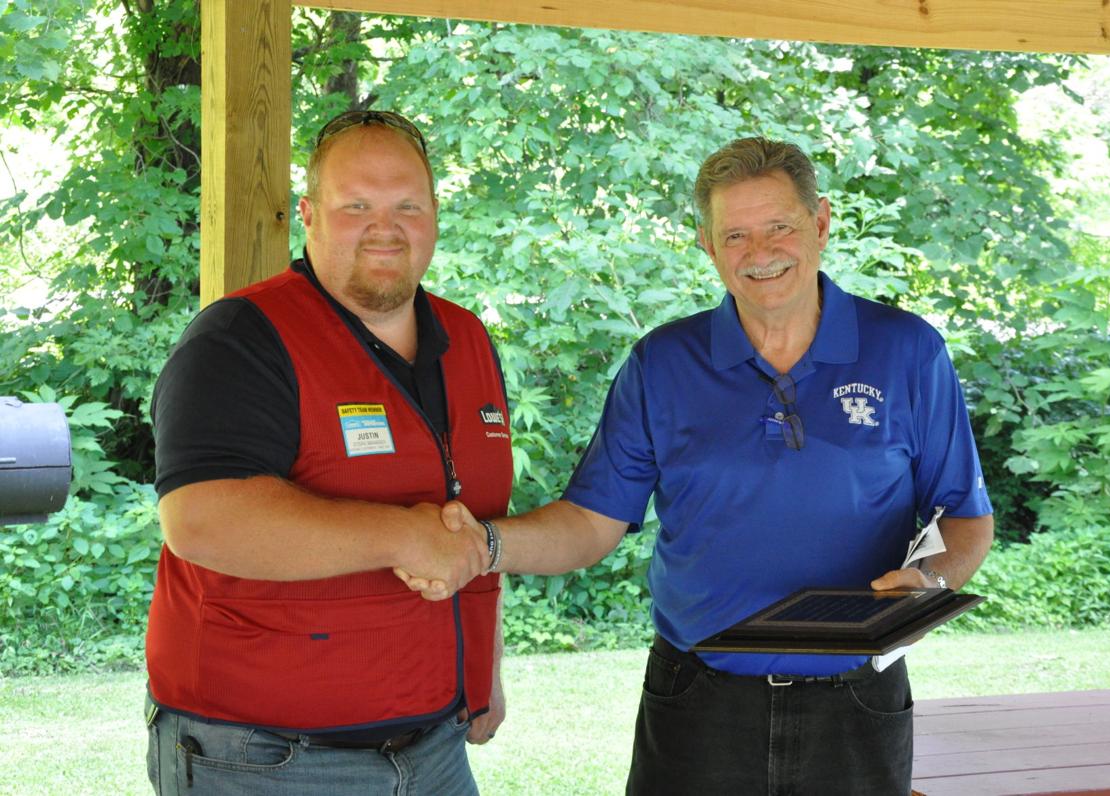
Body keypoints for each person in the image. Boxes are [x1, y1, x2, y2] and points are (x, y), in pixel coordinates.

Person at [407, 137, 995, 794]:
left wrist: (928, 577)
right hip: (698, 702)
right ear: (707, 246)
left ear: (821, 223)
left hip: (856, 699)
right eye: (735, 235)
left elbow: (964, 516)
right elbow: (590, 523)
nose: (760, 253)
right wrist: (486, 544)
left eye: (780, 227)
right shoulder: (663, 364)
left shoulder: (907, 350)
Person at [144, 110, 511, 795]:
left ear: (434, 213)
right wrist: (402, 535)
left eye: (407, 204)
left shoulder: (468, 341)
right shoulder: (240, 340)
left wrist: (481, 667)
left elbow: (472, 518)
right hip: (262, 758)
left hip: (432, 750)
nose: (385, 225)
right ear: (308, 214)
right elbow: (202, 521)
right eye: (356, 205)